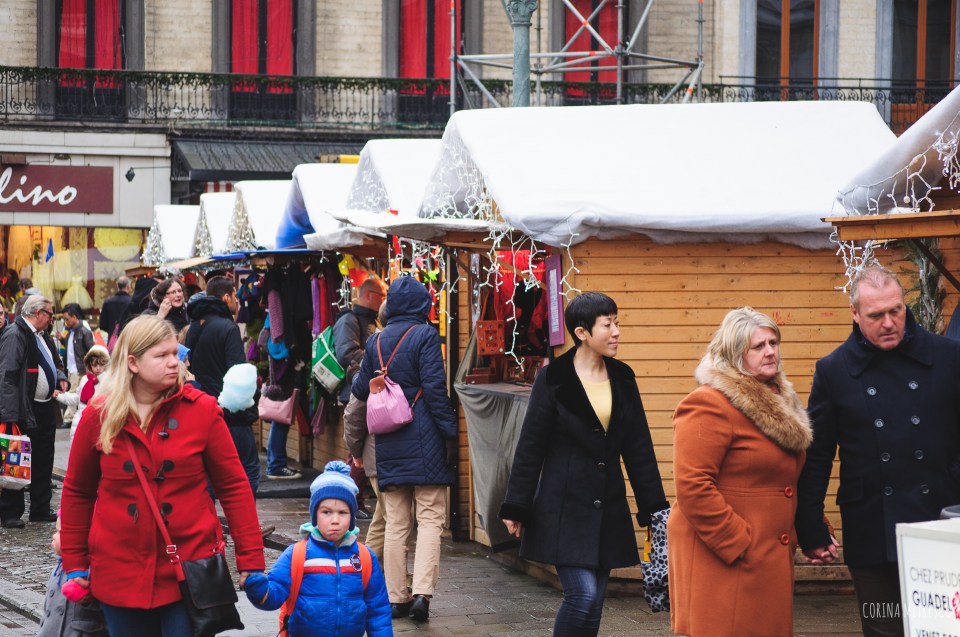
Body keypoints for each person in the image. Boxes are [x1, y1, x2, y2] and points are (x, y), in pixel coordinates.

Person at [59, 315, 265, 636]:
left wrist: (250, 560)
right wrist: (75, 563)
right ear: (133, 363)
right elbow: (77, 492)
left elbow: (234, 487)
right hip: (118, 570)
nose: (175, 362)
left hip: (191, 569)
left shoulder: (203, 410)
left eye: (176, 353)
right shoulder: (98, 415)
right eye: (162, 355)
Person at [796, 264, 960, 637]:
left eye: (895, 311)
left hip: (941, 523)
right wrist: (810, 528)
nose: (888, 322)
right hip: (872, 531)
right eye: (876, 315)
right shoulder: (833, 371)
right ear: (855, 314)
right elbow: (817, 454)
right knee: (883, 625)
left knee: (941, 627)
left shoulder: (949, 357)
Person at [499, 291, 668, 637]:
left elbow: (639, 447)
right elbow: (531, 445)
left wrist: (654, 509)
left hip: (608, 508)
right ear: (582, 333)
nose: (617, 331)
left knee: (594, 602)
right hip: (562, 508)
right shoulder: (553, 378)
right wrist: (516, 505)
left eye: (617, 322)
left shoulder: (623, 377)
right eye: (607, 324)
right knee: (582, 595)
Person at [667, 307, 812, 637]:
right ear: (735, 354)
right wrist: (738, 542)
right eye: (758, 346)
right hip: (724, 557)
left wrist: (811, 523)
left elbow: (784, 478)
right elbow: (692, 486)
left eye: (773, 342)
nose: (771, 351)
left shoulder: (779, 400)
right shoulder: (708, 403)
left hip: (766, 555)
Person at [351, 276, 456, 622]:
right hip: (425, 438)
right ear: (422, 305)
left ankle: (396, 597)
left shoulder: (376, 341)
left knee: (396, 521)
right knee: (429, 519)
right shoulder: (424, 336)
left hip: (389, 441)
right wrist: (449, 432)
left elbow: (359, 388)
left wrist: (382, 374)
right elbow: (435, 389)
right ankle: (422, 595)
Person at [243, 460, 393, 637]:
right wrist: (258, 588)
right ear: (315, 515)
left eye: (343, 513)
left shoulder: (364, 557)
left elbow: (378, 610)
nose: (335, 520)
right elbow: (273, 596)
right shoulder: (297, 554)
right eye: (326, 512)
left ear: (352, 517)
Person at [184, 276, 262, 494]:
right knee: (248, 469)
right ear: (226, 297)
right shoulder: (228, 327)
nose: (237, 302)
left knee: (210, 472)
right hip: (230, 413)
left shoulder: (194, 327)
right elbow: (237, 372)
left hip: (203, 409)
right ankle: (245, 525)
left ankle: (211, 522)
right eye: (235, 296)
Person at [0, 294, 68, 528]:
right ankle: (10, 512)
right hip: (22, 408)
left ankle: (40, 507)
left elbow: (55, 364)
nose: (52, 319)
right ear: (38, 313)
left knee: (42, 459)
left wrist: (59, 377)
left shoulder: (42, 336)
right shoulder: (15, 334)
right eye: (50, 314)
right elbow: (7, 376)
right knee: (16, 459)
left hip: (44, 406)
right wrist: (9, 415)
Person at [38, 512, 109, 637]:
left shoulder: (91, 570)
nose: (54, 536)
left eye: (59, 532)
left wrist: (88, 602)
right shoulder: (58, 568)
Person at [343, 396, 385, 562]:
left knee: (385, 517)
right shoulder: (370, 373)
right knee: (396, 522)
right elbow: (352, 416)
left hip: (388, 457)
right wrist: (356, 452)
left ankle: (367, 567)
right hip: (383, 457)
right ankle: (393, 578)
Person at [55, 345, 110, 440]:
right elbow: (77, 398)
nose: (98, 368)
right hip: (81, 421)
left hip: (98, 425)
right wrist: (58, 395)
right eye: (94, 365)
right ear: (89, 365)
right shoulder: (85, 379)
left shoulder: (109, 382)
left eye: (101, 364)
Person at [61, 303, 95, 423]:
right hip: (72, 369)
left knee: (73, 394)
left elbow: (91, 350)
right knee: (74, 394)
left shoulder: (84, 331)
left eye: (67, 319)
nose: (65, 322)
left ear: (74, 317)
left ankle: (68, 419)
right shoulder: (70, 331)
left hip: (79, 369)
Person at [99, 276, 132, 341]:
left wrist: (112, 329)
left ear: (117, 286)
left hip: (112, 339)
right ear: (128, 287)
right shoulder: (132, 302)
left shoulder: (108, 302)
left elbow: (102, 325)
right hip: (127, 338)